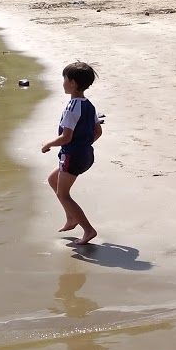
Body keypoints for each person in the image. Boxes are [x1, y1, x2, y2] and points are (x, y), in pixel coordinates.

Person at [41, 60, 103, 245]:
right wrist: (84, 144)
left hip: (73, 156)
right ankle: (71, 218)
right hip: (86, 155)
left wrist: (48, 144)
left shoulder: (71, 108)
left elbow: (66, 137)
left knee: (63, 194)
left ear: (73, 83)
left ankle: (88, 230)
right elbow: (98, 132)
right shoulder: (89, 105)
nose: (63, 82)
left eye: (64, 79)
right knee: (53, 180)